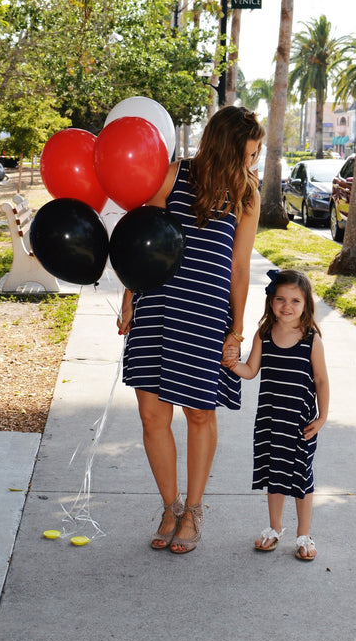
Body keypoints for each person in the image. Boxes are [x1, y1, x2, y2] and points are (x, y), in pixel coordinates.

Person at [117, 106, 266, 554]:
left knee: (199, 413)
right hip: (157, 306)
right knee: (152, 415)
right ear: (225, 145)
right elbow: (141, 236)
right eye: (248, 154)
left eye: (256, 156)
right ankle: (170, 505)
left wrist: (236, 330)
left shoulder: (247, 194)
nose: (252, 163)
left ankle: (194, 510)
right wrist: (129, 297)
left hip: (205, 316)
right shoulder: (174, 174)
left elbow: (240, 268)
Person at [224, 268, 329, 561]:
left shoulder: (311, 340)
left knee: (301, 477)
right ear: (271, 302)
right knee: (274, 475)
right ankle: (274, 529)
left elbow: (321, 380)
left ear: (306, 304)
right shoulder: (265, 334)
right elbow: (251, 370)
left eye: (295, 300)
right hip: (270, 420)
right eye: (280, 299)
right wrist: (233, 364)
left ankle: (304, 535)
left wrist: (322, 417)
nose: (287, 306)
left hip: (301, 423)